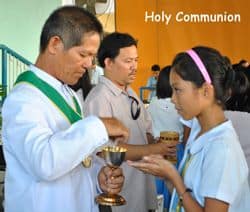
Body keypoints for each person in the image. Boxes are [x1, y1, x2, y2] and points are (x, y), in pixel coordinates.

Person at [1, 6, 129, 212]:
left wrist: (99, 176)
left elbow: (75, 159)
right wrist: (99, 125)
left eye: (92, 57)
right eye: (83, 54)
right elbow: (45, 162)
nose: (89, 64)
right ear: (55, 44)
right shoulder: (23, 99)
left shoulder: (68, 94)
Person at [129, 46, 250, 211]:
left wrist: (174, 178)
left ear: (206, 91)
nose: (172, 99)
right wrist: (169, 177)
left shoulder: (222, 148)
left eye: (178, 90)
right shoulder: (199, 130)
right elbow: (190, 196)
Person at [84, 32, 177, 212]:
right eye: (128, 61)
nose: (134, 67)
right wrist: (155, 149)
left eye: (136, 60)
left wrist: (158, 145)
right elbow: (106, 152)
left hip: (142, 189)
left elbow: (146, 132)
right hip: (120, 198)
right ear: (108, 63)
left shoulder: (131, 93)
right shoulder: (99, 99)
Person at [147, 65, 185, 210]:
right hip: (177, 150)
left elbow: (149, 128)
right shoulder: (180, 105)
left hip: (157, 150)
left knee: (159, 191)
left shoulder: (153, 103)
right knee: (176, 189)